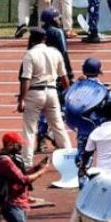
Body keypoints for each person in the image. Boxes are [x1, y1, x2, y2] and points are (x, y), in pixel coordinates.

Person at [17, 28, 72, 166]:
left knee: (30, 128)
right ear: (45, 39)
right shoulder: (55, 53)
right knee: (58, 126)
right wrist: (70, 94)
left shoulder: (30, 54)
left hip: (35, 92)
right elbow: (64, 77)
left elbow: (26, 79)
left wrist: (21, 99)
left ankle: (27, 162)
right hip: (52, 91)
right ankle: (70, 158)